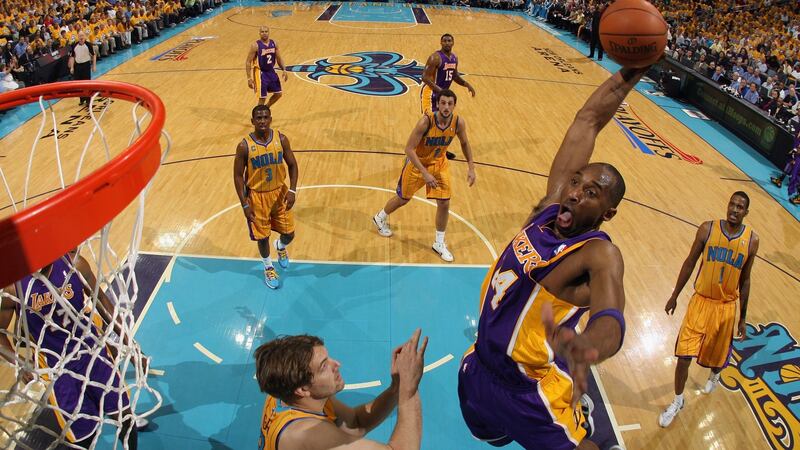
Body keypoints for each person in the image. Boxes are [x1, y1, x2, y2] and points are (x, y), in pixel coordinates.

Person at [457, 66, 650, 449]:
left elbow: (610, 318)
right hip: (478, 364)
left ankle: (580, 416)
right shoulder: (550, 206)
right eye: (577, 181)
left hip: (527, 393)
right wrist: (636, 67)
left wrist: (589, 347)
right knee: (492, 438)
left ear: (606, 214)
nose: (576, 192)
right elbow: (588, 120)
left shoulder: (598, 254)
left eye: (592, 193)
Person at [0, 252, 145, 449]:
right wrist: (19, 362)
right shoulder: (14, 287)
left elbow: (101, 301)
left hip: (93, 353)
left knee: (125, 416)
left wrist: (129, 343)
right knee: (82, 437)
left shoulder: (74, 263)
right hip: (58, 369)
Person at [659, 191, 759, 427]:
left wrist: (742, 318)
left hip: (725, 308)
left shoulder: (752, 240)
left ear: (746, 212)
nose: (734, 209)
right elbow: (690, 261)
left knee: (715, 358)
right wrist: (674, 295)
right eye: (732, 204)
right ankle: (677, 400)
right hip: (701, 301)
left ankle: (715, 374)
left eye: (740, 207)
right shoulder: (707, 229)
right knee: (684, 356)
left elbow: (745, 280)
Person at [254, 329, 428, 450]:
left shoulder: (295, 393)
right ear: (302, 389)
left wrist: (396, 387)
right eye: (323, 366)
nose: (336, 364)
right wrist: (409, 387)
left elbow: (356, 423)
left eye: (328, 358)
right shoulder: (307, 434)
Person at [373, 89, 476, 262]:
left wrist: (471, 167)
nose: (446, 107)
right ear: (438, 104)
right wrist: (425, 173)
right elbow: (409, 149)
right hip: (417, 164)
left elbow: (465, 143)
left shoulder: (458, 122)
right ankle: (379, 217)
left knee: (444, 202)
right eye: (443, 103)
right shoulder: (425, 122)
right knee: (403, 199)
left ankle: (439, 243)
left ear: (454, 106)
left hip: (438, 163)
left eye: (450, 104)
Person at [233, 105, 299, 289]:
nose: (262, 121)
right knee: (263, 237)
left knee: (289, 233)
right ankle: (268, 266)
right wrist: (244, 205)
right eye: (258, 118)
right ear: (252, 121)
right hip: (257, 197)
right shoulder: (244, 146)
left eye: (265, 117)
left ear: (270, 119)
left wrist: (292, 190)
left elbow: (293, 165)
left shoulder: (281, 139)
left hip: (280, 193)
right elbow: (238, 176)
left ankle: (280, 246)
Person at [420, 33, 476, 160]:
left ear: (453, 43)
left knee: (443, 122)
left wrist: (467, 84)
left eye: (449, 41)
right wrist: (440, 91)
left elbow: (454, 76)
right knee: (429, 122)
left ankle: (441, 150)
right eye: (444, 41)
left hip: (442, 96)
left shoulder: (454, 58)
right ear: (440, 42)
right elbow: (424, 77)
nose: (447, 43)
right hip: (430, 94)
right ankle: (421, 148)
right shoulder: (435, 58)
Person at [246, 26, 288, 108]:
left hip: (271, 71)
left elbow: (279, 58)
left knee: (278, 93)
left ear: (269, 32)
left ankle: (266, 108)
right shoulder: (255, 45)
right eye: (262, 32)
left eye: (266, 31)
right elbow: (248, 62)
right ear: (259, 33)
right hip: (260, 72)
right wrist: (249, 78)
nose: (264, 33)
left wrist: (284, 69)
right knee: (262, 97)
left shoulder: (274, 43)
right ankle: (258, 115)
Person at [68, 31, 96, 105]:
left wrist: (94, 66)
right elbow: (72, 57)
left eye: (82, 36)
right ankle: (82, 99)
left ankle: (88, 100)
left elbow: (93, 55)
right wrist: (72, 67)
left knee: (87, 84)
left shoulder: (88, 45)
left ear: (85, 37)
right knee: (79, 84)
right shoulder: (74, 45)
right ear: (78, 37)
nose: (81, 37)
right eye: (80, 36)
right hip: (77, 66)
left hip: (86, 65)